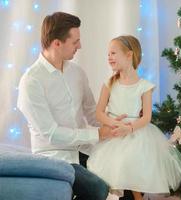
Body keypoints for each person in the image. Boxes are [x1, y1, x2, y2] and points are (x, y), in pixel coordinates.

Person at [17, 12, 122, 200]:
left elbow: (92, 113)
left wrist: (114, 123)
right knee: (99, 188)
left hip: (82, 150)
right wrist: (97, 134)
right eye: (75, 42)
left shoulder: (77, 73)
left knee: (122, 174)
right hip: (54, 157)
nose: (79, 46)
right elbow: (52, 133)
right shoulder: (31, 82)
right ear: (57, 43)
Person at [87, 35, 181, 200]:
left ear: (129, 55)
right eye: (108, 54)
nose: (109, 57)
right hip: (115, 135)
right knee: (117, 172)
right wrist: (113, 123)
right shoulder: (109, 83)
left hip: (137, 134)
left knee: (133, 167)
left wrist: (129, 127)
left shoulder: (144, 86)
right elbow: (99, 112)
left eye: (113, 53)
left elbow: (147, 117)